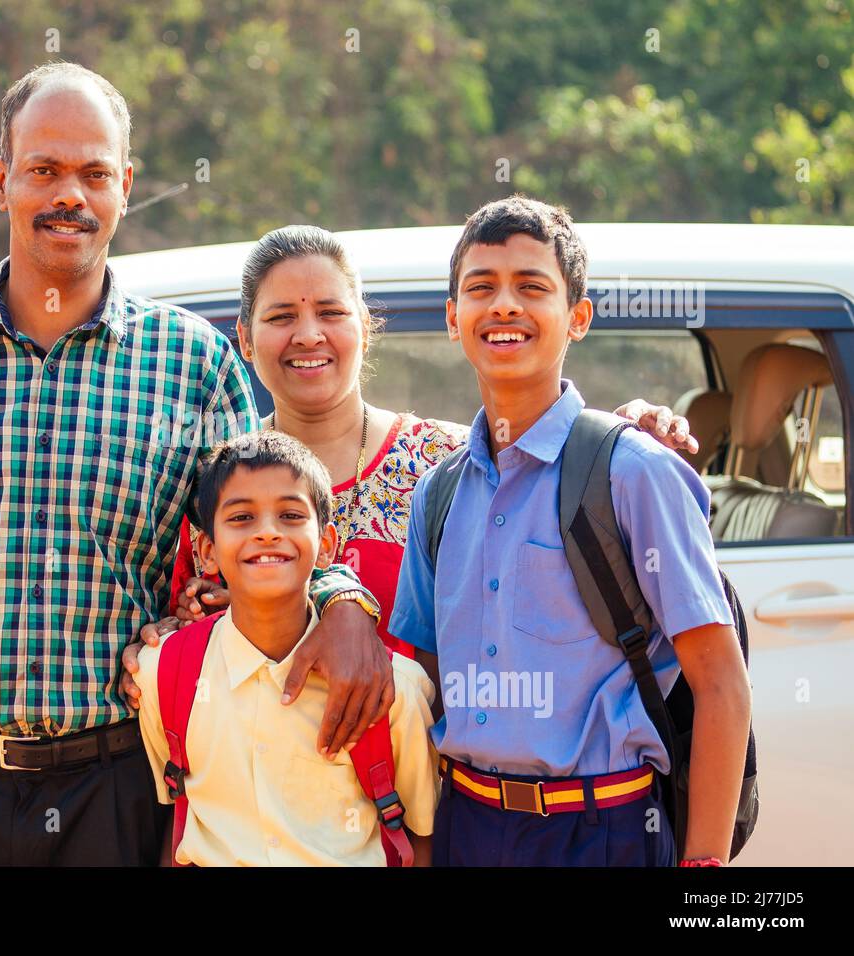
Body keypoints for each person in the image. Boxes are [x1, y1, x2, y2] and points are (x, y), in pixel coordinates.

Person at [0, 62, 387, 867]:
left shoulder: (191, 363)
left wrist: (342, 598)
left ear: (124, 186)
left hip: (116, 790)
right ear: (3, 180)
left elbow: (264, 525)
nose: (67, 196)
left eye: (92, 173)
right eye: (43, 170)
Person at [122, 226, 700, 701]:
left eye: (330, 311)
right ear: (245, 340)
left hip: (431, 800)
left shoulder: (446, 463)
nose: (308, 335)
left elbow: (555, 460)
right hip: (273, 806)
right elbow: (189, 637)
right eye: (279, 318)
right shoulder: (220, 484)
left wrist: (628, 433)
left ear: (365, 330)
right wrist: (158, 648)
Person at [389, 195, 752, 866]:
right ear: (452, 317)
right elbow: (427, 680)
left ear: (577, 317)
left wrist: (704, 865)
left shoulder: (632, 470)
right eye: (481, 289)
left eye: (532, 287)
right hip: (470, 826)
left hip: (604, 829)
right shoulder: (438, 494)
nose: (503, 306)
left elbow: (721, 682)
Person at [134, 431, 438, 866]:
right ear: (206, 551)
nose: (268, 533)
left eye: (291, 515)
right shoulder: (163, 674)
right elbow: (179, 810)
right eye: (241, 518)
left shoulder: (393, 693)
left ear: (327, 546)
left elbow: (421, 834)